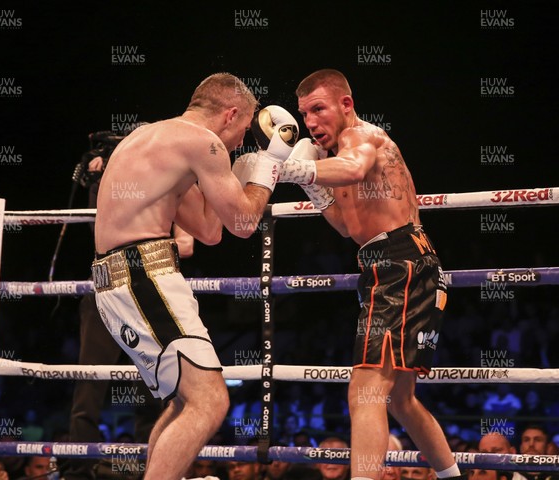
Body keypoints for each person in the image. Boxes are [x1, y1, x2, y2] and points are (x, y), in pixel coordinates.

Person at [92, 72, 298, 480]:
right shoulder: (200, 142)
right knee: (210, 401)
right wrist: (269, 166)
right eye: (244, 128)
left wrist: (241, 171)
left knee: (186, 401)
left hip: (125, 281)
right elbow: (242, 223)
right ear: (231, 113)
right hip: (141, 276)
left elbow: (209, 230)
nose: (241, 140)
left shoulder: (155, 138)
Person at [274, 69, 461, 480]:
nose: (310, 123)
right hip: (391, 264)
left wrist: (288, 172)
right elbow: (346, 226)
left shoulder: (360, 138)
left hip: (400, 264)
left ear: (346, 104)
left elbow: (356, 169)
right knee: (400, 401)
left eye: (318, 109)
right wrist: (313, 185)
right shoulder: (333, 158)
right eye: (304, 114)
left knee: (365, 391)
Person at [66, 134, 194, 480]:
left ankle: (151, 463)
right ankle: (79, 465)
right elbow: (99, 232)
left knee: (154, 381)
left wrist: (142, 249)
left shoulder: (171, 191)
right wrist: (100, 178)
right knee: (89, 377)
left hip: (150, 289)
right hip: (106, 287)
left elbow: (187, 244)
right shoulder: (115, 189)